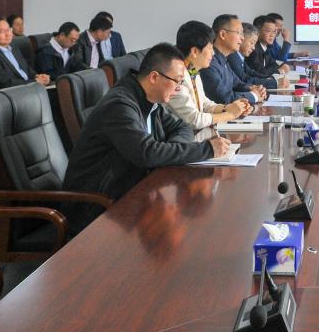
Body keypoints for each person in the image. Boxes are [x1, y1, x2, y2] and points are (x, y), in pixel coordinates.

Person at [61, 43, 231, 235]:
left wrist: (169, 150)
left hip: (129, 192)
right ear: (154, 77)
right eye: (177, 81)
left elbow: (182, 127)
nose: (178, 89)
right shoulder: (120, 106)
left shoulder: (150, 101)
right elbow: (147, 153)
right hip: (95, 208)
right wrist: (208, 149)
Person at [167, 21, 251, 140]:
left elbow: (204, 104)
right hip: (182, 141)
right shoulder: (177, 78)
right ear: (195, 51)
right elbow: (194, 120)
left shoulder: (192, 70)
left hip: (197, 136)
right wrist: (230, 115)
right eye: (210, 48)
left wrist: (229, 108)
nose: (213, 53)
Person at [200, 14, 268, 106]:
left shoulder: (224, 58)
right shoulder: (209, 62)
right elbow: (223, 98)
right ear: (223, 34)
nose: (242, 38)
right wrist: (254, 96)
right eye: (239, 33)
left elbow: (237, 84)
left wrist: (253, 88)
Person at [0, 15, 50, 89]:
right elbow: (5, 83)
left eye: (8, 30)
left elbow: (25, 68)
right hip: (16, 92)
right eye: (2, 31)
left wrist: (37, 76)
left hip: (30, 87)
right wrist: (35, 81)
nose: (8, 34)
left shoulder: (14, 47)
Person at [229, 23, 280, 89]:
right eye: (251, 43)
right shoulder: (233, 57)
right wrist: (274, 83)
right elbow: (244, 79)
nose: (253, 48)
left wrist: (270, 78)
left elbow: (251, 72)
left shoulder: (240, 56)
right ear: (241, 39)